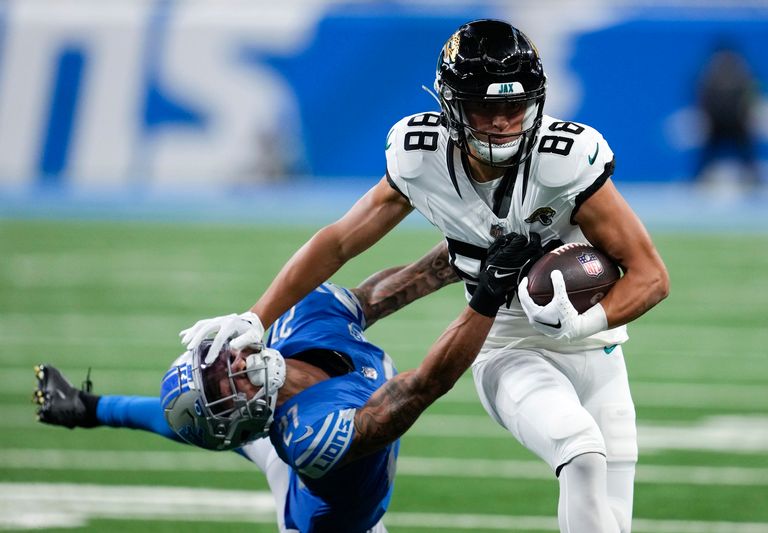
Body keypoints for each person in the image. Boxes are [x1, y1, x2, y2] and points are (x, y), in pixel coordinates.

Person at [184, 19, 669, 533]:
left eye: (514, 106)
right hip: (508, 347)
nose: (503, 122)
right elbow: (340, 240)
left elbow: (651, 276)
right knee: (582, 453)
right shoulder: (421, 156)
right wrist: (258, 318)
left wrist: (578, 325)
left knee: (611, 520)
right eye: (486, 107)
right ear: (452, 106)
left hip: (601, 353)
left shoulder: (564, 160)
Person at [34, 235, 541, 533]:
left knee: (189, 421)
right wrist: (487, 295)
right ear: (248, 416)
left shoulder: (296, 323)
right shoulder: (309, 436)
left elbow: (376, 295)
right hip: (333, 523)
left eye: (216, 362)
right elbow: (423, 387)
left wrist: (461, 255)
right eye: (223, 385)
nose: (231, 364)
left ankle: (82, 407)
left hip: (293, 435)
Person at [696, 40, 760, 186]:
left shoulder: (743, 73)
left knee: (747, 154)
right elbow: (703, 97)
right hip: (717, 123)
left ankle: (755, 180)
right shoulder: (709, 73)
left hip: (737, 123)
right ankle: (698, 180)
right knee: (707, 154)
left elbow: (752, 94)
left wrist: (747, 116)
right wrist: (708, 118)